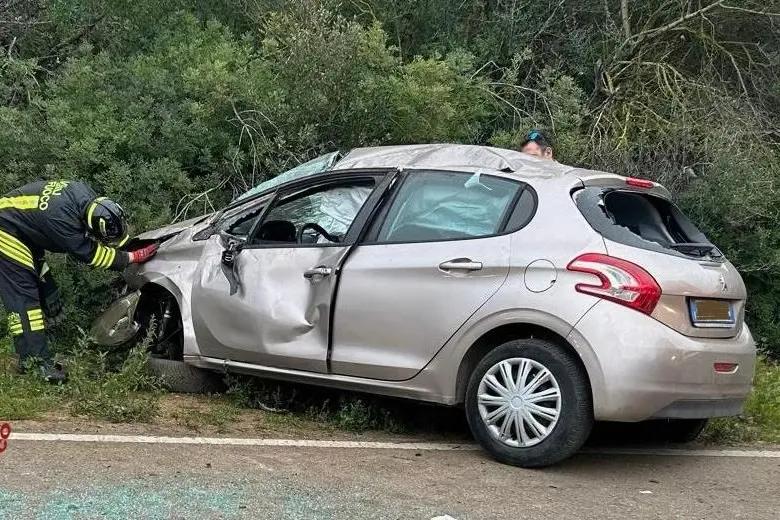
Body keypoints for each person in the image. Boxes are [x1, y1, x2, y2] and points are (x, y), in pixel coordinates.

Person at [0, 179, 159, 383]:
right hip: (6, 232)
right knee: (25, 301)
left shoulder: (85, 194)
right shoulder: (61, 221)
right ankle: (36, 365)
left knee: (47, 290)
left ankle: (37, 351)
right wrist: (131, 258)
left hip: (21, 227)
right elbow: (90, 254)